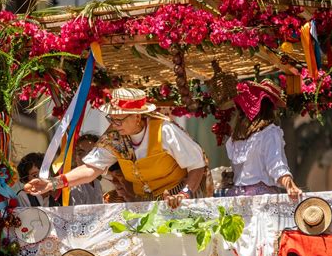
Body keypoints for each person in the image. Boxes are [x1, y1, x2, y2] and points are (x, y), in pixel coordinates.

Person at [25, 88, 209, 208]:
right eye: (111, 118)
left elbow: (197, 165)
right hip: (143, 202)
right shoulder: (114, 136)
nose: (114, 123)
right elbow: (91, 168)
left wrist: (185, 194)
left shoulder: (165, 130)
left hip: (178, 197)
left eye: (119, 119)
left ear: (138, 117)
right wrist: (53, 182)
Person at [225, 79, 302, 200]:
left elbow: (275, 166)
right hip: (259, 198)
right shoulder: (269, 133)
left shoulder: (237, 137)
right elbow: (275, 164)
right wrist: (289, 184)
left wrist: (289, 184)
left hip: (237, 197)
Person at [69, 134, 104, 206]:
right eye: (80, 153)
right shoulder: (71, 182)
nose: (85, 157)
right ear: (75, 156)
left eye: (91, 153)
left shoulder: (97, 183)